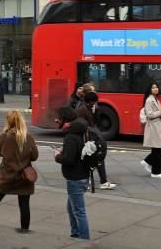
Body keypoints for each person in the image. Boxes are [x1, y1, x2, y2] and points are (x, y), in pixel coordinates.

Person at [0, 110, 39, 233]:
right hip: (24, 177)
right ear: (22, 122)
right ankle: (25, 231)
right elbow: (35, 156)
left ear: (8, 122)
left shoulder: (4, 136)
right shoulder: (28, 137)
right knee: (24, 205)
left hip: (7, 176)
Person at [54, 106, 90, 240]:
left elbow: (68, 160)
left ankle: (84, 239)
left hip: (75, 178)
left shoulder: (70, 136)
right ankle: (75, 234)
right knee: (71, 208)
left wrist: (57, 156)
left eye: (58, 118)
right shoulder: (81, 130)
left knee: (79, 211)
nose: (57, 120)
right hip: (83, 175)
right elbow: (77, 151)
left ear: (64, 119)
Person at [76, 91, 116, 189]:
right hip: (87, 138)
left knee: (97, 157)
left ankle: (101, 181)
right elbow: (82, 124)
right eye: (94, 102)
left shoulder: (92, 108)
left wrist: (96, 111)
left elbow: (96, 122)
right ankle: (92, 180)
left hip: (93, 136)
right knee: (91, 158)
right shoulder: (82, 109)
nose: (96, 103)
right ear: (90, 102)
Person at [141, 83, 161, 178]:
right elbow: (149, 115)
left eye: (156, 87)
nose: (156, 89)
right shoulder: (149, 100)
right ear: (150, 90)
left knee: (158, 148)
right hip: (153, 127)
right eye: (153, 87)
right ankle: (156, 172)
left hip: (157, 126)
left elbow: (155, 114)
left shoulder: (156, 99)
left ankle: (150, 165)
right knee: (160, 148)